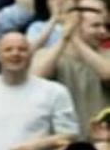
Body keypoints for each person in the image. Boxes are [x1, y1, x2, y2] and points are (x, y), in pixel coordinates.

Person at [32, 7, 110, 135]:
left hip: (103, 140)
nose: (103, 31)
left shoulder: (107, 55)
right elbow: (36, 78)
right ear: (75, 28)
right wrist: (65, 38)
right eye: (96, 26)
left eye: (105, 26)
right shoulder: (49, 55)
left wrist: (75, 39)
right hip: (63, 141)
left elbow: (107, 74)